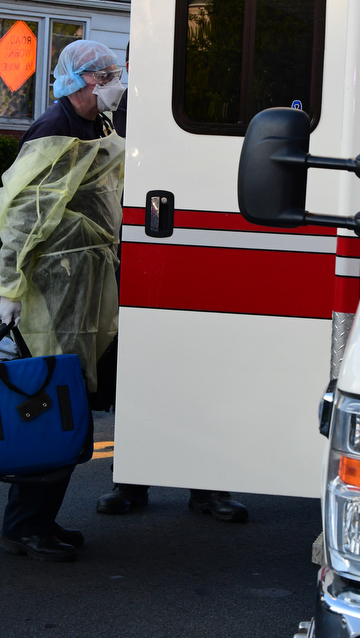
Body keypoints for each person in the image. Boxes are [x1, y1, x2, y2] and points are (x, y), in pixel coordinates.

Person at [96, 45, 249, 523]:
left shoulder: (212, 101)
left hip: (201, 247)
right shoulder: (117, 108)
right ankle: (131, 479)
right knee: (136, 371)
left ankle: (208, 487)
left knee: (204, 372)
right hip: (137, 250)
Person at [0, 40, 125, 562]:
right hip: (52, 287)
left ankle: (39, 520)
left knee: (67, 402)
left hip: (86, 282)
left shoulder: (97, 127)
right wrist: (8, 287)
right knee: (51, 404)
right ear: (87, 80)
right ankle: (24, 525)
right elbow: (25, 215)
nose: (117, 82)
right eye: (110, 74)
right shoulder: (54, 129)